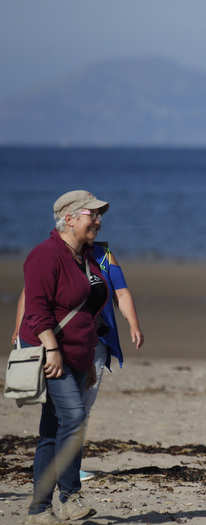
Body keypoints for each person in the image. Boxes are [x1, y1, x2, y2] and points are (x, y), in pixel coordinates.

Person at [12, 241, 145, 482]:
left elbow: (121, 291)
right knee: (61, 411)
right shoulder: (52, 255)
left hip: (96, 341)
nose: (96, 223)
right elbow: (29, 295)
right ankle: (57, 473)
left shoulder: (104, 257)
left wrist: (133, 324)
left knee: (82, 407)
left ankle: (67, 470)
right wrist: (18, 329)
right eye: (91, 217)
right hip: (57, 341)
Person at [18, 190, 109, 525]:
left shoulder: (81, 257)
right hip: (51, 354)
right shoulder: (45, 256)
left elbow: (85, 314)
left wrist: (86, 364)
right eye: (92, 214)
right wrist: (52, 349)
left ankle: (39, 510)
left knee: (53, 430)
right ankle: (68, 498)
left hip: (75, 356)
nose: (98, 221)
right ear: (69, 218)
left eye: (100, 215)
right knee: (73, 420)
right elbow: (36, 310)